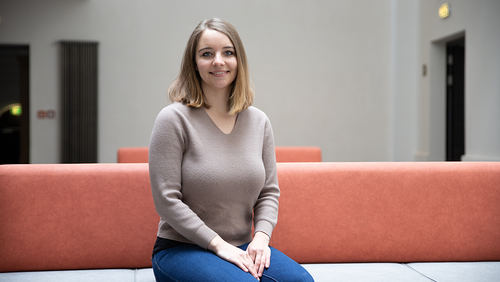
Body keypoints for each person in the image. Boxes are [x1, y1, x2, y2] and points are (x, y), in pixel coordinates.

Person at [149, 18, 314, 282]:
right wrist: (218, 244)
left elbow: (269, 192)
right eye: (206, 54)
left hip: (242, 246)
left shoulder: (258, 121)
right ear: (194, 63)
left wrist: (261, 237)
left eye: (228, 52)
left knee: (301, 281)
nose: (218, 61)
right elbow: (166, 200)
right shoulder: (172, 119)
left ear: (239, 61)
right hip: (181, 248)